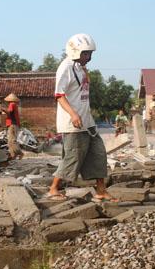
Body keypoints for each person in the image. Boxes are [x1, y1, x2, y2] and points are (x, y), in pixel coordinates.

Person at [47, 33, 118, 202]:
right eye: (86, 53)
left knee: (98, 153)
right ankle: (53, 188)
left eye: (90, 53)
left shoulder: (80, 68)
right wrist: (73, 114)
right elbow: (59, 95)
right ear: (75, 52)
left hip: (87, 121)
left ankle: (101, 190)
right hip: (73, 122)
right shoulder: (65, 68)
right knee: (73, 156)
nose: (89, 57)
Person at [2, 93, 24, 160]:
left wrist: (2, 109)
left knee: (12, 140)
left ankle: (20, 153)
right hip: (12, 124)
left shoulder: (12, 104)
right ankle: (13, 155)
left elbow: (9, 112)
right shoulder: (14, 105)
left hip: (12, 124)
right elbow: (10, 113)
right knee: (9, 141)